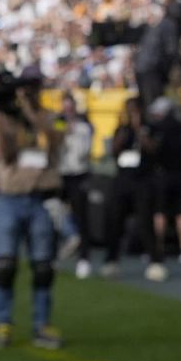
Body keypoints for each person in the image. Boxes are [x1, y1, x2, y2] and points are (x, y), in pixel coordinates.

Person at [0, 67, 66, 350]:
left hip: (41, 199)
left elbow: (55, 139)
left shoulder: (51, 118)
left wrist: (31, 112)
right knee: (6, 265)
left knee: (44, 267)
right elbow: (2, 153)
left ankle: (42, 325)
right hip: (10, 197)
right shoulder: (3, 118)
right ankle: (3, 323)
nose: (29, 92)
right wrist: (10, 114)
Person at [104, 97, 162, 280]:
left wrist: (139, 129)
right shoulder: (121, 129)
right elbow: (114, 151)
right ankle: (111, 260)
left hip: (142, 181)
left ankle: (154, 261)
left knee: (145, 222)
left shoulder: (150, 128)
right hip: (122, 180)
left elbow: (152, 150)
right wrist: (124, 132)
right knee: (115, 221)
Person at [145, 95, 181, 266]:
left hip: (164, 175)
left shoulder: (158, 129)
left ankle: (158, 248)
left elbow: (154, 152)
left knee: (160, 213)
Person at [56, 92, 97, 279]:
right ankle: (63, 244)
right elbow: (53, 148)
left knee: (82, 216)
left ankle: (84, 259)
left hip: (78, 175)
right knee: (54, 211)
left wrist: (71, 133)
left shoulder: (84, 128)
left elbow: (83, 153)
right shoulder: (58, 125)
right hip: (61, 174)